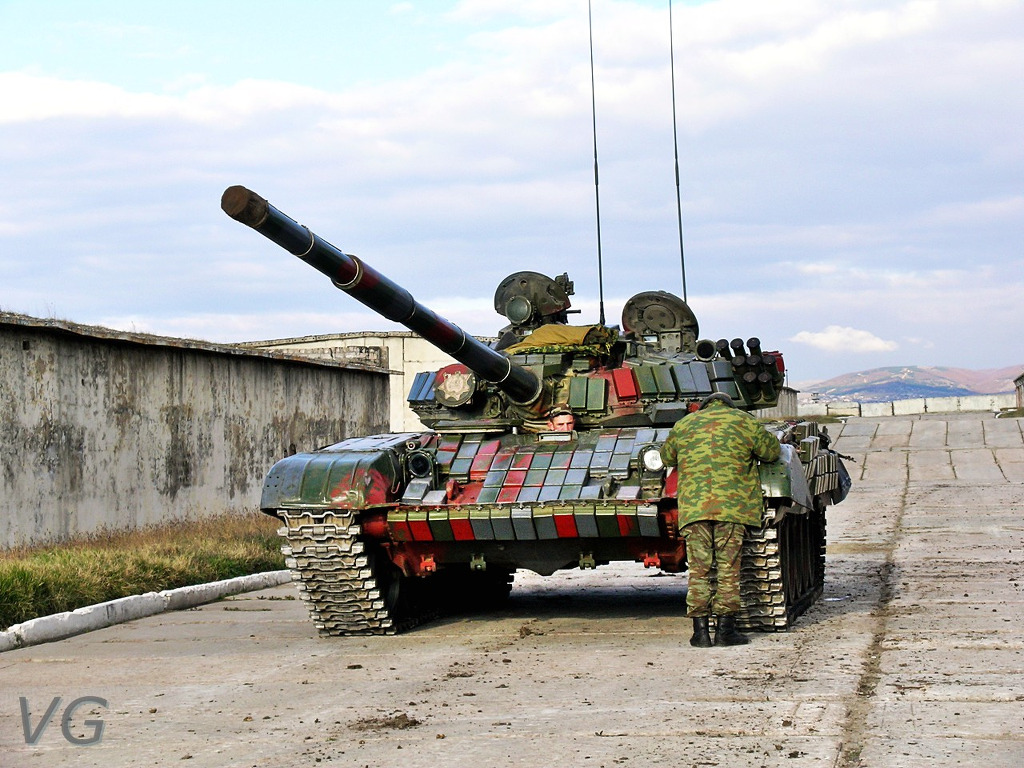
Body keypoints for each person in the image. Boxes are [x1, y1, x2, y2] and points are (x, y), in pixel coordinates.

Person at [660, 392, 781, 647]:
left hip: (695, 509)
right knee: (728, 569)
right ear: (730, 404)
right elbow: (771, 452)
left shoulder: (685, 424)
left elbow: (667, 457)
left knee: (699, 570)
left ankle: (700, 633)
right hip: (732, 508)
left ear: (704, 407)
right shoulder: (744, 421)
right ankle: (726, 631)